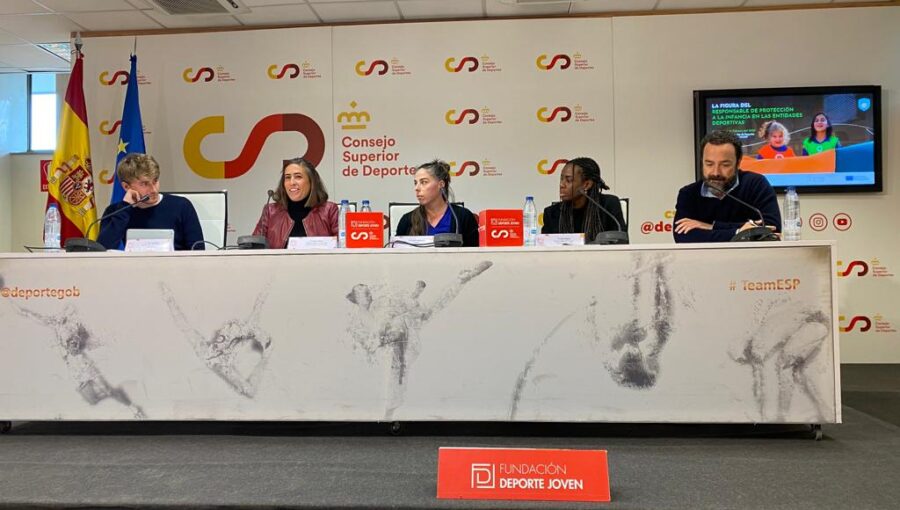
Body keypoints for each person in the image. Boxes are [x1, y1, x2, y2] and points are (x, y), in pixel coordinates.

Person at [673, 130, 781, 243]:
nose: (716, 172)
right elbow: (682, 236)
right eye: (709, 164)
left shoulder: (755, 184)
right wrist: (738, 232)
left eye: (725, 165)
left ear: (738, 163)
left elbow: (772, 230)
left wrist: (711, 226)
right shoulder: (689, 193)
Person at [97, 153, 204, 251]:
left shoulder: (181, 206)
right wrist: (125, 207)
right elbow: (102, 250)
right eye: (144, 184)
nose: (153, 190)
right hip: (134, 265)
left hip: (177, 265)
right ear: (126, 186)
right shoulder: (116, 211)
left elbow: (198, 250)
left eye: (155, 181)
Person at [253, 157, 339, 249]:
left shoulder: (329, 210)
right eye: (287, 177)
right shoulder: (270, 211)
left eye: (298, 177)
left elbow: (343, 247)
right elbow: (254, 247)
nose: (292, 182)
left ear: (311, 181)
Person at [395, 159, 479, 247]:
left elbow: (475, 253)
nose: (416, 188)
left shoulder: (463, 217)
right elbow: (397, 253)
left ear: (441, 184)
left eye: (424, 182)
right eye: (415, 183)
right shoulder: (407, 220)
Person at [541, 157, 626, 241]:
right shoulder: (552, 213)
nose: (562, 185)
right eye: (561, 179)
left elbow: (621, 242)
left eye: (568, 180)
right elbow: (545, 246)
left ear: (587, 184)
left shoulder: (608, 206)